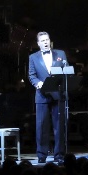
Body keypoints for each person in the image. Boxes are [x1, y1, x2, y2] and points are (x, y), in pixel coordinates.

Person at [28, 31, 68, 164]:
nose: (45, 42)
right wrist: (38, 84)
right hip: (42, 95)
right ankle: (41, 155)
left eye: (47, 40)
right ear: (38, 43)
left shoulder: (60, 54)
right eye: (43, 41)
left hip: (58, 94)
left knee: (59, 127)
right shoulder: (33, 57)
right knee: (41, 127)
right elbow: (31, 75)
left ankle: (59, 155)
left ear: (50, 41)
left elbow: (66, 70)